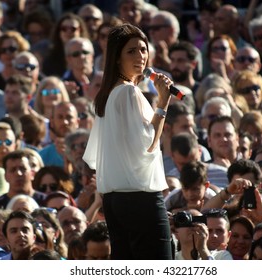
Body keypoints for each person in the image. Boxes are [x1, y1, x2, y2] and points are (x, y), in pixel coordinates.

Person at [83, 23, 173, 260]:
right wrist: (163, 102)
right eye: (131, 51)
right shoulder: (128, 92)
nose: (140, 56)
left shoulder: (109, 94)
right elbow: (149, 144)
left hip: (115, 201)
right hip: (140, 199)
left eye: (143, 49)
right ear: (116, 58)